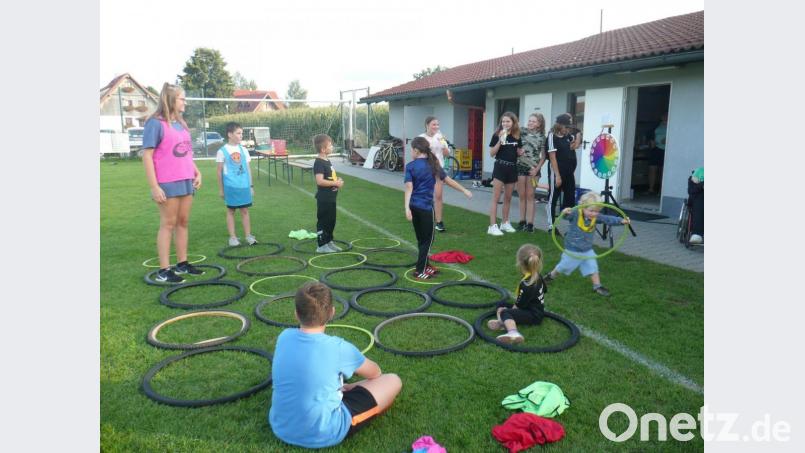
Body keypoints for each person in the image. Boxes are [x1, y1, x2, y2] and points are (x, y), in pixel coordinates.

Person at [269, 281, 402, 449]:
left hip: (281, 426)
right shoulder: (339, 348)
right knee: (393, 380)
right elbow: (375, 373)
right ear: (332, 312)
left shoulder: (284, 336)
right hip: (325, 431)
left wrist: (348, 386)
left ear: (296, 313)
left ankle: (342, 390)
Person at [141, 83, 203, 283]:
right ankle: (163, 270)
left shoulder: (181, 124)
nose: (185, 102)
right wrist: (154, 186)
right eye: (182, 98)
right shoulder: (155, 123)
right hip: (167, 182)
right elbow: (147, 156)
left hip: (186, 179)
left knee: (183, 222)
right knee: (168, 224)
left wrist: (197, 172)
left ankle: (182, 264)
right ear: (171, 100)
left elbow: (186, 152)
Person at [404, 137, 472, 280]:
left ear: (416, 151)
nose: (411, 151)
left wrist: (407, 208)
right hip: (425, 208)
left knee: (421, 239)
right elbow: (448, 180)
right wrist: (464, 190)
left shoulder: (410, 166)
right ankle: (419, 270)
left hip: (413, 206)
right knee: (427, 241)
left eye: (411, 149)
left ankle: (426, 265)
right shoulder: (433, 164)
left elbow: (408, 188)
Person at [543, 191, 630, 297]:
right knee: (564, 266)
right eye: (591, 211)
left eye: (597, 211)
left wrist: (621, 220)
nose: (594, 213)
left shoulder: (596, 217)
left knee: (592, 266)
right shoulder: (575, 213)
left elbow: (608, 219)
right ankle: (550, 276)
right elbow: (565, 216)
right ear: (583, 207)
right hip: (572, 249)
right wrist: (565, 212)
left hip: (587, 249)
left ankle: (597, 286)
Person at [487, 244, 548, 344]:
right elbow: (544, 290)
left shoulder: (527, 284)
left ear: (520, 263)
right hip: (534, 309)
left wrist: (507, 311)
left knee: (505, 312)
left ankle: (513, 333)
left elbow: (519, 306)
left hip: (533, 316)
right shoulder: (537, 276)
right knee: (501, 305)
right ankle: (503, 323)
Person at [216, 122, 257, 246]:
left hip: (244, 186)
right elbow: (219, 172)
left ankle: (248, 236)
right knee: (231, 211)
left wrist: (250, 186)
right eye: (238, 133)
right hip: (231, 187)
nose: (241, 136)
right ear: (230, 134)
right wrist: (221, 189)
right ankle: (233, 238)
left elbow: (248, 169)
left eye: (241, 133)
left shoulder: (244, 150)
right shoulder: (222, 151)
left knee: (245, 210)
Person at [487, 112, 524, 236]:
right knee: (495, 198)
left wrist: (520, 152)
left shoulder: (517, 136)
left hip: (512, 168)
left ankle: (505, 223)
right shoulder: (497, 134)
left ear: (513, 122)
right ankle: (492, 226)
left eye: (508, 121)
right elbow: (492, 153)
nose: (505, 123)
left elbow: (518, 151)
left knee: (508, 198)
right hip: (500, 167)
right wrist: (500, 141)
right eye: (503, 121)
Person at [545, 113, 582, 233]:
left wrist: (578, 137)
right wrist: (558, 176)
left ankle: (572, 228)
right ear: (559, 125)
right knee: (553, 198)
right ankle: (551, 227)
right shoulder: (552, 136)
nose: (567, 129)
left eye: (568, 127)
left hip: (569, 172)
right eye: (566, 127)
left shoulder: (567, 135)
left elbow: (576, 144)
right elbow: (552, 157)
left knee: (570, 199)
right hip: (557, 172)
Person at [313, 134, 344, 253]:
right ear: (323, 149)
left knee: (331, 221)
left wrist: (337, 181)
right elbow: (320, 181)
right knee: (323, 221)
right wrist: (335, 183)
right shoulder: (319, 163)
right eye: (330, 145)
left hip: (331, 198)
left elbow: (330, 177)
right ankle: (321, 245)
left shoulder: (327, 160)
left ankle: (329, 241)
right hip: (324, 198)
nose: (332, 147)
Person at [516, 113, 547, 232]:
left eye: (533, 121)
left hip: (533, 169)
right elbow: (513, 143)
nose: (530, 123)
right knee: (521, 195)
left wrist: (537, 169)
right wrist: (517, 150)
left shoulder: (542, 137)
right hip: (520, 167)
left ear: (539, 124)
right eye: (529, 121)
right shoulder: (521, 132)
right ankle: (522, 221)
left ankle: (530, 224)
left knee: (530, 196)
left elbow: (544, 156)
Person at [419, 116, 450, 232]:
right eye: (433, 124)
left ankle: (439, 222)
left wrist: (444, 144)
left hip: (438, 169)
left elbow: (447, 154)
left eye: (437, 124)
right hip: (425, 170)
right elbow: (417, 154)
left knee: (438, 196)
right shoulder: (421, 138)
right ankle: (422, 219)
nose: (436, 127)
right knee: (424, 196)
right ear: (427, 125)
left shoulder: (440, 137)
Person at [648, 112, 668, 194]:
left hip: (665, 150)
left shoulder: (671, 123)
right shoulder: (657, 124)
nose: (664, 116)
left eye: (666, 115)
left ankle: (661, 190)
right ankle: (650, 189)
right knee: (652, 168)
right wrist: (651, 140)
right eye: (663, 115)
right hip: (655, 148)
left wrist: (668, 138)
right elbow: (650, 133)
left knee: (663, 170)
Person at [687, 166, 704, 244]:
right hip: (698, 199)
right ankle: (697, 234)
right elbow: (691, 190)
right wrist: (701, 185)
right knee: (699, 201)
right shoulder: (698, 172)